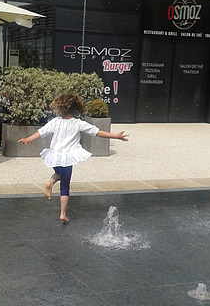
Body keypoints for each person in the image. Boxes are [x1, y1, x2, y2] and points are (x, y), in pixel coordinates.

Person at [18, 93, 128, 223]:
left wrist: (27, 139)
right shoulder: (78, 123)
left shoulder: (55, 122)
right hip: (68, 157)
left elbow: (41, 132)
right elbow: (97, 132)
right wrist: (116, 136)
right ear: (76, 109)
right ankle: (63, 213)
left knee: (58, 172)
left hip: (54, 156)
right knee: (65, 186)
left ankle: (51, 182)